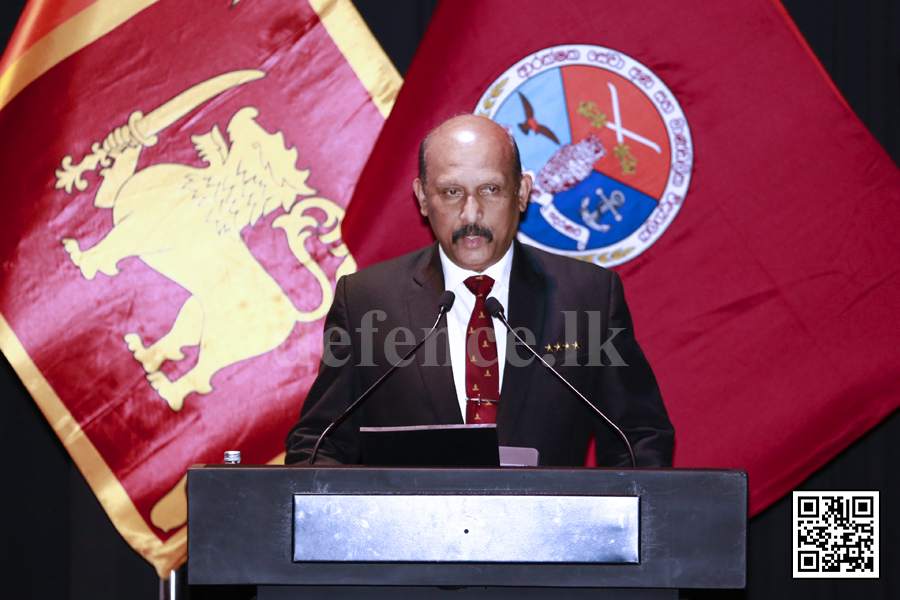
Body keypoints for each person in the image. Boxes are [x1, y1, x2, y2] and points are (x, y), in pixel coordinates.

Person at [284, 115, 674, 467]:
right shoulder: (367, 300)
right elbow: (320, 447)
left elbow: (638, 440)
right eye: (451, 192)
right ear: (422, 197)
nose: (471, 215)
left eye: (490, 189)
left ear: (522, 192)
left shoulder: (587, 297)